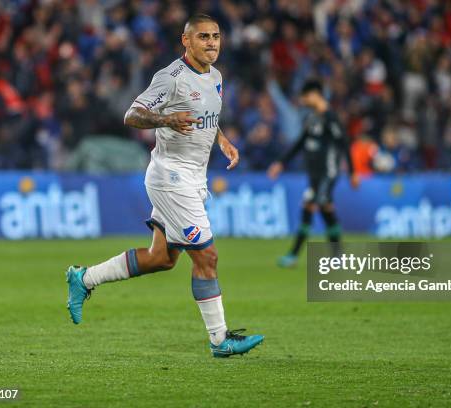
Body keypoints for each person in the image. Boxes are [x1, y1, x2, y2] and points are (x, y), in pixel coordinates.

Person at [65, 14, 264, 358]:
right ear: (185, 40)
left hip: (192, 177)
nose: (212, 42)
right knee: (208, 257)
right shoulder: (170, 78)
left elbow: (206, 116)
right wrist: (165, 119)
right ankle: (220, 340)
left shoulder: (215, 77)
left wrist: (223, 140)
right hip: (171, 178)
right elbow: (132, 114)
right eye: (203, 36)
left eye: (216, 36)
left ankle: (83, 279)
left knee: (161, 258)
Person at [267, 79, 359, 267]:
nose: (302, 100)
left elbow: (344, 143)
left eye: (305, 96)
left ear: (315, 95)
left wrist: (352, 172)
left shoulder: (330, 117)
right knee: (324, 207)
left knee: (312, 205)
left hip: (328, 172)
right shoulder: (312, 118)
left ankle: (294, 255)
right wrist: (281, 163)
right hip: (315, 173)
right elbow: (300, 142)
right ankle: (338, 256)